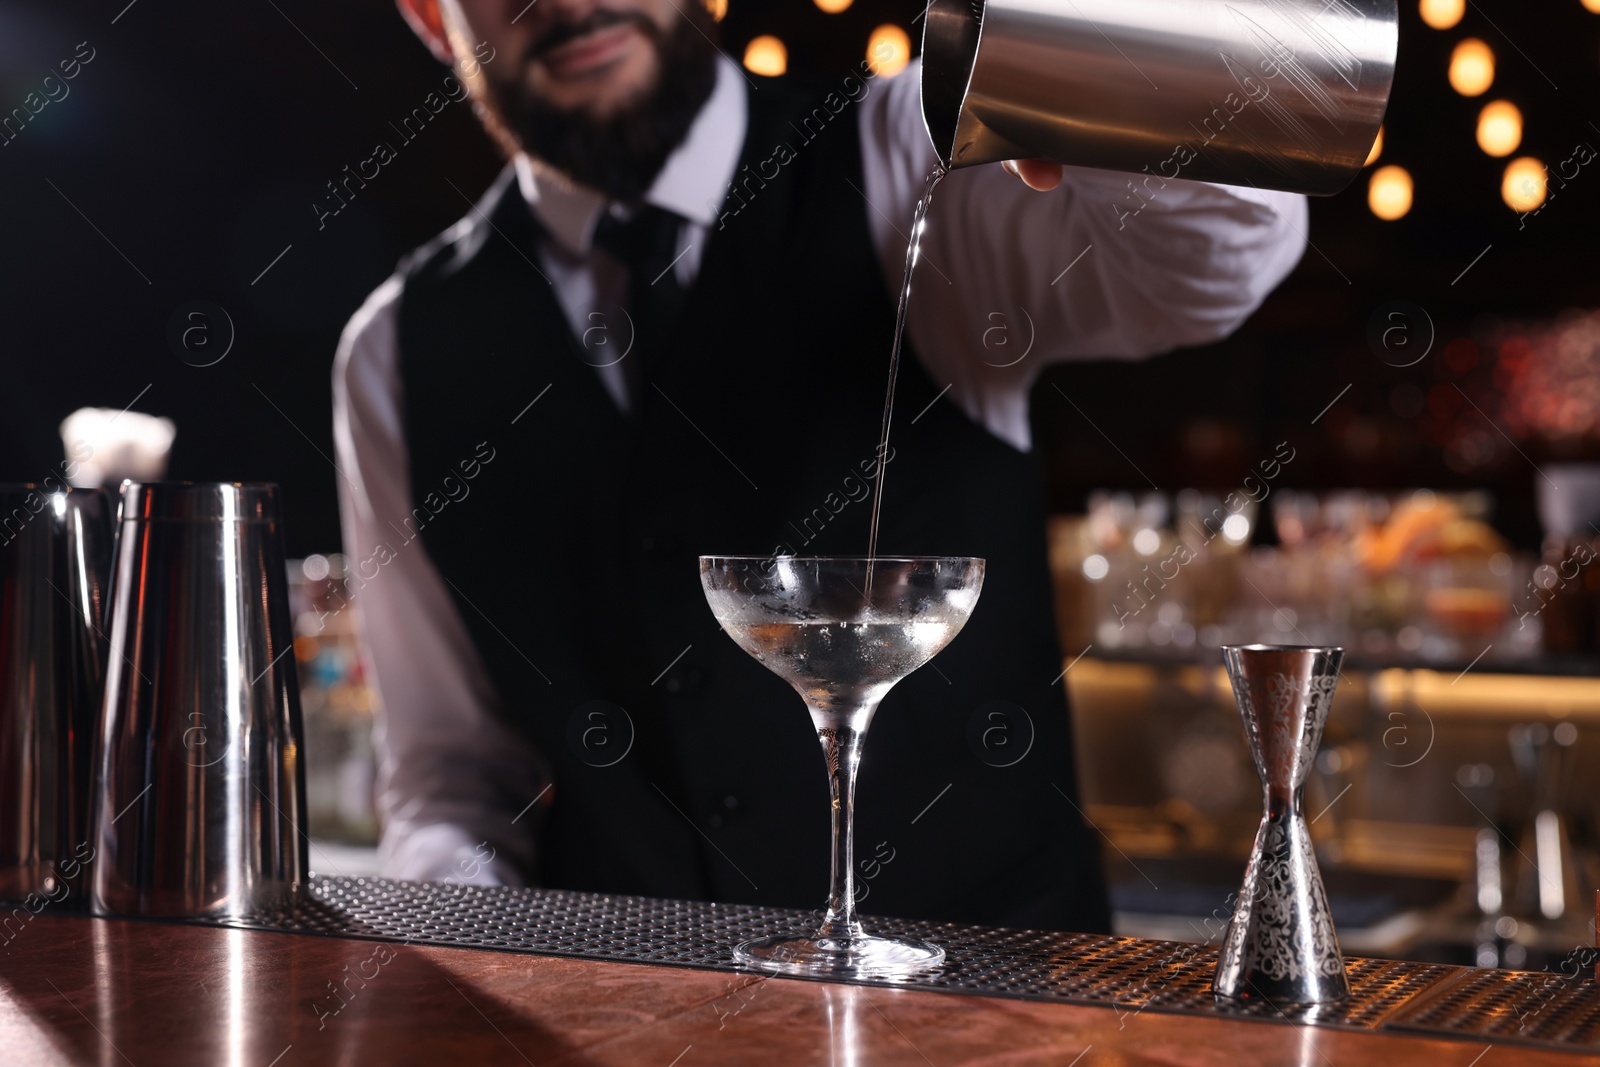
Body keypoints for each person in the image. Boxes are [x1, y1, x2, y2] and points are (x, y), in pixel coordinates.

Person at [333, 0, 1307, 933]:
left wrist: (1095, 63)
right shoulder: (395, 350)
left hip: (998, 1013)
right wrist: (455, 961)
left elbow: (1219, 252)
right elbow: (453, 776)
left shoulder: (903, 147)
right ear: (430, 14)